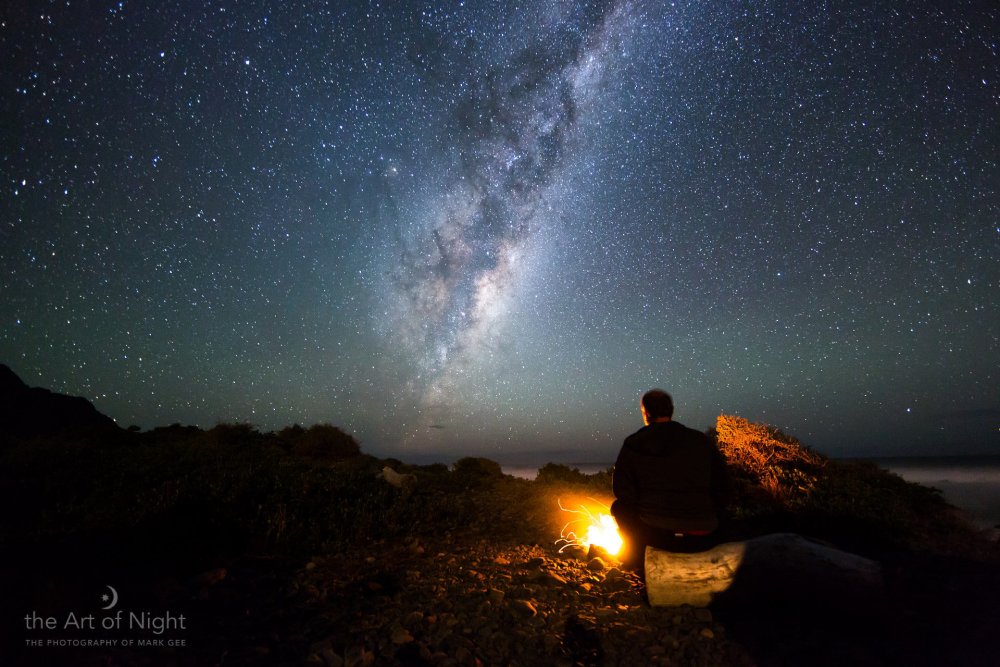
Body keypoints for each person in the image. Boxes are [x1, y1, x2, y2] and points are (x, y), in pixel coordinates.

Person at [611, 389, 727, 569]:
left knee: (619, 507)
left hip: (655, 532)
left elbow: (623, 492)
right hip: (703, 529)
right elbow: (723, 485)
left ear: (646, 412)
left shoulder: (634, 443)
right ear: (671, 410)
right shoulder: (701, 440)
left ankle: (636, 557)